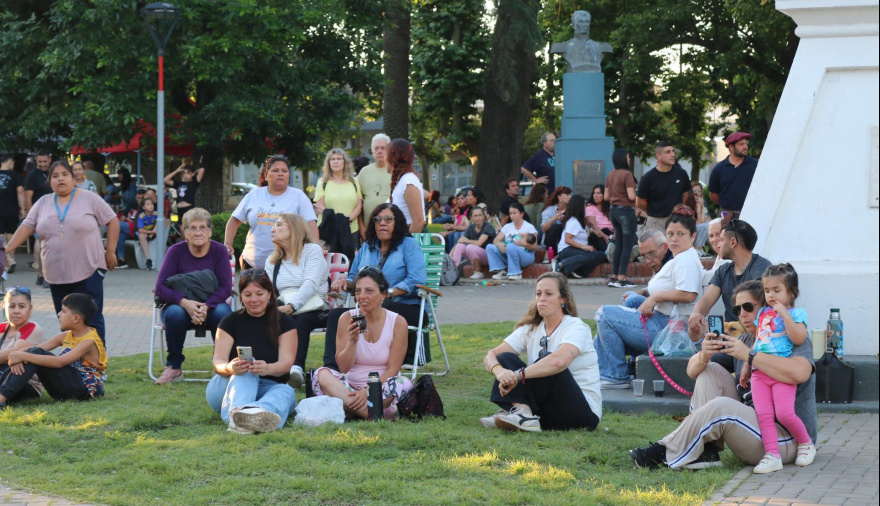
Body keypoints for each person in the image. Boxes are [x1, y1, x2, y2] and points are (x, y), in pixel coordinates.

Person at [629, 279, 817, 471]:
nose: (742, 315)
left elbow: (800, 373)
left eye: (748, 307)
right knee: (709, 371)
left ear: (767, 307)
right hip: (756, 428)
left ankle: (665, 450)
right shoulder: (746, 339)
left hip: (789, 442)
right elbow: (692, 371)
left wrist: (750, 356)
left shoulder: (792, 337)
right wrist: (704, 354)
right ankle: (706, 451)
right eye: (737, 310)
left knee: (722, 407)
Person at [6, 161, 118, 342]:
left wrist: (110, 252)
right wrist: (7, 249)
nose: (60, 179)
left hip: (88, 270)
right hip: (56, 273)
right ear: (50, 181)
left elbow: (113, 220)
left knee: (90, 320)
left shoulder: (89, 198)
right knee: (65, 320)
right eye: (55, 176)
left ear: (73, 178)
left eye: (64, 174)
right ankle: (72, 365)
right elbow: (27, 226)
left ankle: (96, 367)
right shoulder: (43, 202)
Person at [594, 206, 704, 388]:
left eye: (681, 234)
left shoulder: (686, 261)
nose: (674, 239)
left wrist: (655, 298)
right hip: (665, 322)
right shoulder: (681, 258)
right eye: (670, 233)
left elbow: (688, 294)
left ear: (693, 236)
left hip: (671, 332)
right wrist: (647, 294)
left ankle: (615, 376)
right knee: (630, 300)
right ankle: (616, 367)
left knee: (604, 315)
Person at [480, 272, 600, 432]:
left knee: (549, 362)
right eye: (538, 293)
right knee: (505, 358)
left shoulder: (577, 327)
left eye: (548, 294)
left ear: (563, 299)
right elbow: (491, 355)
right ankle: (524, 414)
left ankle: (519, 414)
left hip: (582, 414)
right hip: (546, 412)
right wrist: (499, 371)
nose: (542, 298)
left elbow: (559, 362)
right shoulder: (530, 328)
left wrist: (517, 375)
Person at [324, 204, 428, 369]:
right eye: (377, 220)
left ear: (398, 223)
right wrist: (347, 283)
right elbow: (353, 277)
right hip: (369, 307)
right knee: (336, 315)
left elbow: (417, 278)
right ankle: (332, 368)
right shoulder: (367, 246)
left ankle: (371, 360)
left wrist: (387, 293)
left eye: (388, 219)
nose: (382, 223)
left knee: (380, 306)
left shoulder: (408, 245)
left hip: (407, 307)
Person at [313, 268, 414, 419]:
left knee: (403, 383)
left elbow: (393, 369)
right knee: (322, 374)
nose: (362, 296)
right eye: (358, 291)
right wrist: (352, 341)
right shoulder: (347, 318)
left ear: (383, 295)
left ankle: (351, 408)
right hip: (350, 386)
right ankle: (374, 413)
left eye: (369, 291)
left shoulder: (397, 322)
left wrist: (367, 390)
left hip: (382, 387)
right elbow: (343, 367)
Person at [743, 263, 814, 473]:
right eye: (767, 290)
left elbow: (799, 338)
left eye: (777, 290)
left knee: (784, 413)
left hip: (780, 373)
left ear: (792, 292)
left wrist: (784, 314)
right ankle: (772, 455)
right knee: (764, 414)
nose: (771, 295)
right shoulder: (763, 313)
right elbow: (759, 341)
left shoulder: (797, 313)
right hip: (759, 373)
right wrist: (748, 365)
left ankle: (806, 443)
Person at [206, 270, 297, 434]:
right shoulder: (229, 322)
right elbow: (217, 363)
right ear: (240, 297)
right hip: (228, 387)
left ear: (270, 294)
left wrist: (267, 368)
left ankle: (253, 413)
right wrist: (230, 368)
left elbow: (286, 364)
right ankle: (237, 416)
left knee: (287, 391)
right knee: (246, 364)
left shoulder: (285, 322)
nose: (253, 299)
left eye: (259, 294)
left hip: (267, 386)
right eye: (247, 294)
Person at [154, 208, 233, 384]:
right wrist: (185, 303)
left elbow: (226, 288)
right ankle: (174, 368)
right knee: (174, 312)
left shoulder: (219, 251)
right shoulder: (175, 251)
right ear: (185, 232)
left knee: (223, 312)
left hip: (211, 308)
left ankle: (219, 365)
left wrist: (206, 306)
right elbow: (159, 288)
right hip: (180, 308)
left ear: (210, 231)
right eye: (192, 228)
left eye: (203, 227)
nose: (198, 232)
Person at [0, 294, 107, 408]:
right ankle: (2, 393)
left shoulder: (89, 341)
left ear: (76, 318)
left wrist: (23, 356)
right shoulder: (66, 335)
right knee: (33, 352)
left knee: (34, 353)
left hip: (84, 391)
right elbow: (38, 348)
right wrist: (18, 354)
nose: (59, 314)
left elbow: (60, 362)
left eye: (63, 311)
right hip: (66, 387)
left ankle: (1, 398)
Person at [265, 213, 329, 389]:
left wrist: (292, 306)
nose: (273, 229)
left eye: (278, 225)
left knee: (300, 320)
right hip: (284, 305)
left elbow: (311, 284)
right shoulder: (272, 261)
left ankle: (295, 369)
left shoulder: (312, 251)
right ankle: (269, 366)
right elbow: (269, 292)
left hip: (315, 308)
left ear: (294, 229)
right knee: (266, 313)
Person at [225, 155, 318, 270]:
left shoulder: (299, 197)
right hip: (252, 263)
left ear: (288, 175)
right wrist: (228, 244)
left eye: (284, 171)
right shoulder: (253, 195)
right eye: (275, 170)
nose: (280, 174)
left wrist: (315, 251)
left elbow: (311, 225)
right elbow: (234, 220)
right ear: (266, 175)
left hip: (287, 266)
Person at [688, 218, 772, 331]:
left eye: (721, 240)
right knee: (694, 330)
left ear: (733, 242)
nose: (718, 243)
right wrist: (696, 313)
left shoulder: (761, 267)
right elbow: (707, 301)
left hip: (754, 332)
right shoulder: (723, 270)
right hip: (728, 332)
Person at [0, 287, 46, 404]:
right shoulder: (1, 327)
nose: (16, 311)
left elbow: (13, 353)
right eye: (11, 306)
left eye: (22, 306)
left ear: (30, 309)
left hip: (25, 383)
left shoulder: (33, 328)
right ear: (4, 306)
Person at [636, 142, 691, 233]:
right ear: (658, 156)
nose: (673, 154)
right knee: (656, 247)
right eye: (668, 152)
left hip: (678, 220)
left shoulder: (681, 174)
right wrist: (655, 211)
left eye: (673, 151)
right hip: (656, 222)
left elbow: (685, 194)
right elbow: (640, 202)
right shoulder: (648, 178)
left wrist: (679, 209)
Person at [315, 148, 363, 247]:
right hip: (328, 229)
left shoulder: (354, 181)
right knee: (329, 261)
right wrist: (338, 221)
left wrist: (347, 221)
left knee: (349, 261)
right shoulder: (322, 182)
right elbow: (319, 206)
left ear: (345, 162)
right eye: (332, 159)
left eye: (339, 158)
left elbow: (359, 206)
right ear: (328, 163)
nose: (335, 161)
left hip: (351, 229)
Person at [605, 148, 638, 288]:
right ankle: (622, 278)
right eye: (628, 156)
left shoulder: (611, 174)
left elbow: (606, 197)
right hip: (626, 211)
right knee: (627, 245)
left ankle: (614, 277)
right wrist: (639, 193)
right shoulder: (627, 174)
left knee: (619, 244)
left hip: (613, 211)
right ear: (624, 158)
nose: (629, 159)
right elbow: (631, 196)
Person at [556, 195, 606, 279]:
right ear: (579, 206)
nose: (585, 206)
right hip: (567, 250)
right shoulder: (574, 221)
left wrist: (593, 231)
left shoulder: (581, 220)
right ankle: (562, 265)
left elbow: (583, 231)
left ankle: (579, 272)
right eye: (584, 204)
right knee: (589, 256)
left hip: (578, 250)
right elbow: (567, 239)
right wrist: (584, 247)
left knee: (601, 255)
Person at [708, 132, 758, 217]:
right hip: (726, 214)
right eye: (741, 144)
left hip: (751, 213)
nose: (745, 147)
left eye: (746, 144)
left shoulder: (756, 165)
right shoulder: (719, 168)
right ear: (731, 147)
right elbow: (713, 195)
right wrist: (727, 204)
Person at [486, 202, 539, 281]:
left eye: (514, 213)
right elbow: (495, 241)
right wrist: (500, 245)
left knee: (510, 246)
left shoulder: (529, 227)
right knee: (489, 247)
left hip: (526, 256)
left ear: (522, 214)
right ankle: (502, 271)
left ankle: (516, 273)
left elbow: (535, 247)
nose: (512, 216)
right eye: (510, 213)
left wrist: (522, 244)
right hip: (509, 255)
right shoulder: (507, 226)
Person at [23, 150, 52, 286]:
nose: (42, 164)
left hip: (56, 214)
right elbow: (28, 198)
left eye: (45, 161)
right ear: (36, 161)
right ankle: (43, 274)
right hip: (40, 215)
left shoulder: (54, 173)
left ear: (50, 160)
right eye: (39, 161)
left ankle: (43, 275)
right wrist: (32, 217)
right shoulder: (32, 175)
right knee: (42, 245)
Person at [386, 139, 426, 234]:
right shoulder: (402, 180)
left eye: (385, 155)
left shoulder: (408, 181)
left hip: (405, 239)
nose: (383, 159)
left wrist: (406, 244)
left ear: (393, 158)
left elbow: (418, 222)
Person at [357, 133, 392, 240]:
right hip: (370, 228)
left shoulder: (396, 170)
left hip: (392, 228)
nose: (379, 151)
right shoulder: (364, 172)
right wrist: (362, 227)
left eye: (383, 148)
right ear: (372, 152)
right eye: (376, 148)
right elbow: (358, 201)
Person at [451, 205, 495, 280]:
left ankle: (478, 272)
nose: (478, 218)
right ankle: (452, 271)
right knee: (460, 246)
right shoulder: (471, 227)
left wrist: (466, 240)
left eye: (480, 215)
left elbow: (478, 243)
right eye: (475, 216)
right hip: (474, 255)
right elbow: (459, 242)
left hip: (488, 257)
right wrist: (450, 255)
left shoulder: (488, 226)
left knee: (470, 247)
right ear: (471, 218)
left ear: (484, 216)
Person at [0, 154, 25, 273]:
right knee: (11, 235)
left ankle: (6, 261)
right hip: (12, 209)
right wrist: (23, 209)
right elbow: (20, 192)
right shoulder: (15, 175)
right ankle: (9, 259)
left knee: (0, 236)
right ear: (10, 162)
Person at [540, 186, 572, 251]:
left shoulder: (571, 210)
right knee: (555, 227)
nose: (570, 197)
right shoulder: (549, 210)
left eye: (570, 194)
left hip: (566, 241)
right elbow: (543, 229)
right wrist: (554, 219)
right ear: (559, 197)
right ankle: (548, 253)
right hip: (551, 242)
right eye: (567, 194)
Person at [585, 184, 613, 252]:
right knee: (605, 250)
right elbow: (593, 225)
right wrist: (604, 236)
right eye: (594, 193)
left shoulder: (608, 209)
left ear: (604, 195)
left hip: (610, 233)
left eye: (598, 193)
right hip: (598, 233)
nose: (595, 195)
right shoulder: (590, 207)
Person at [136, 197, 158, 270]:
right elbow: (140, 230)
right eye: (148, 204)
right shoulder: (141, 215)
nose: (151, 206)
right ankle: (148, 259)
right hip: (146, 233)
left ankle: (150, 237)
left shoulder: (156, 213)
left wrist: (152, 234)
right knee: (141, 235)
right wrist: (152, 232)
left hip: (153, 234)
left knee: (161, 221)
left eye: (151, 204)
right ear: (143, 207)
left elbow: (165, 221)